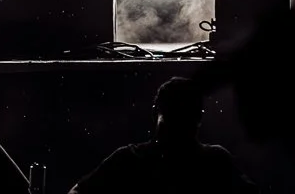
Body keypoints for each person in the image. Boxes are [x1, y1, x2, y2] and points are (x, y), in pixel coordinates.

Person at [68, 76, 256, 194]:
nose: (177, 127)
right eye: (173, 117)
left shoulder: (129, 159)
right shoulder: (216, 161)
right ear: (200, 118)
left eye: (183, 118)